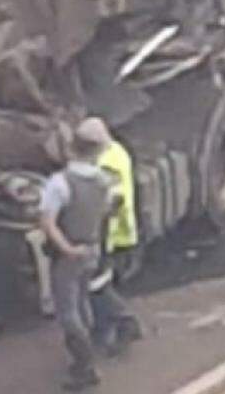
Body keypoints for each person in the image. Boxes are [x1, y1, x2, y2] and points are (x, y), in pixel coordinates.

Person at [40, 117, 117, 391]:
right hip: (92, 250)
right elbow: (106, 211)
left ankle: (84, 365)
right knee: (83, 301)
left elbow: (47, 223)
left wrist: (66, 248)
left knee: (67, 311)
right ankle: (87, 354)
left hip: (68, 256)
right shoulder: (103, 182)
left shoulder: (59, 183)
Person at [90, 137, 143, 356]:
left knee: (96, 287)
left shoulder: (105, 164)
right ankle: (104, 331)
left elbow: (110, 203)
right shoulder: (116, 151)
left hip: (111, 236)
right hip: (116, 234)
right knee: (100, 285)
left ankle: (125, 321)